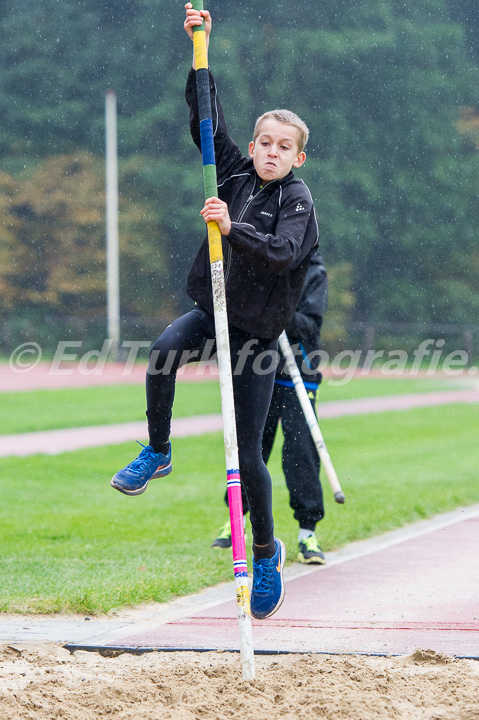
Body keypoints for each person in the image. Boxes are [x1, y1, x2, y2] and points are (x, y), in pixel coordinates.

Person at [110, 3, 320, 621]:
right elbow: (206, 121)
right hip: (215, 311)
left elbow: (284, 255)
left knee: (248, 458)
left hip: (255, 332)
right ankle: (158, 449)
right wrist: (200, 50)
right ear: (253, 146)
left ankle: (264, 551)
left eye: (285, 147)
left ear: (297, 157)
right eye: (265, 143)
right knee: (163, 353)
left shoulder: (298, 200)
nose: (272, 153)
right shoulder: (232, 170)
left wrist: (233, 229)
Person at [212, 253, 329, 565]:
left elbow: (309, 326)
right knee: (251, 449)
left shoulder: (313, 272)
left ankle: (308, 532)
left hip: (299, 375)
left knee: (301, 453)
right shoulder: (259, 263)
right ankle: (235, 520)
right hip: (258, 370)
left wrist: (278, 309)